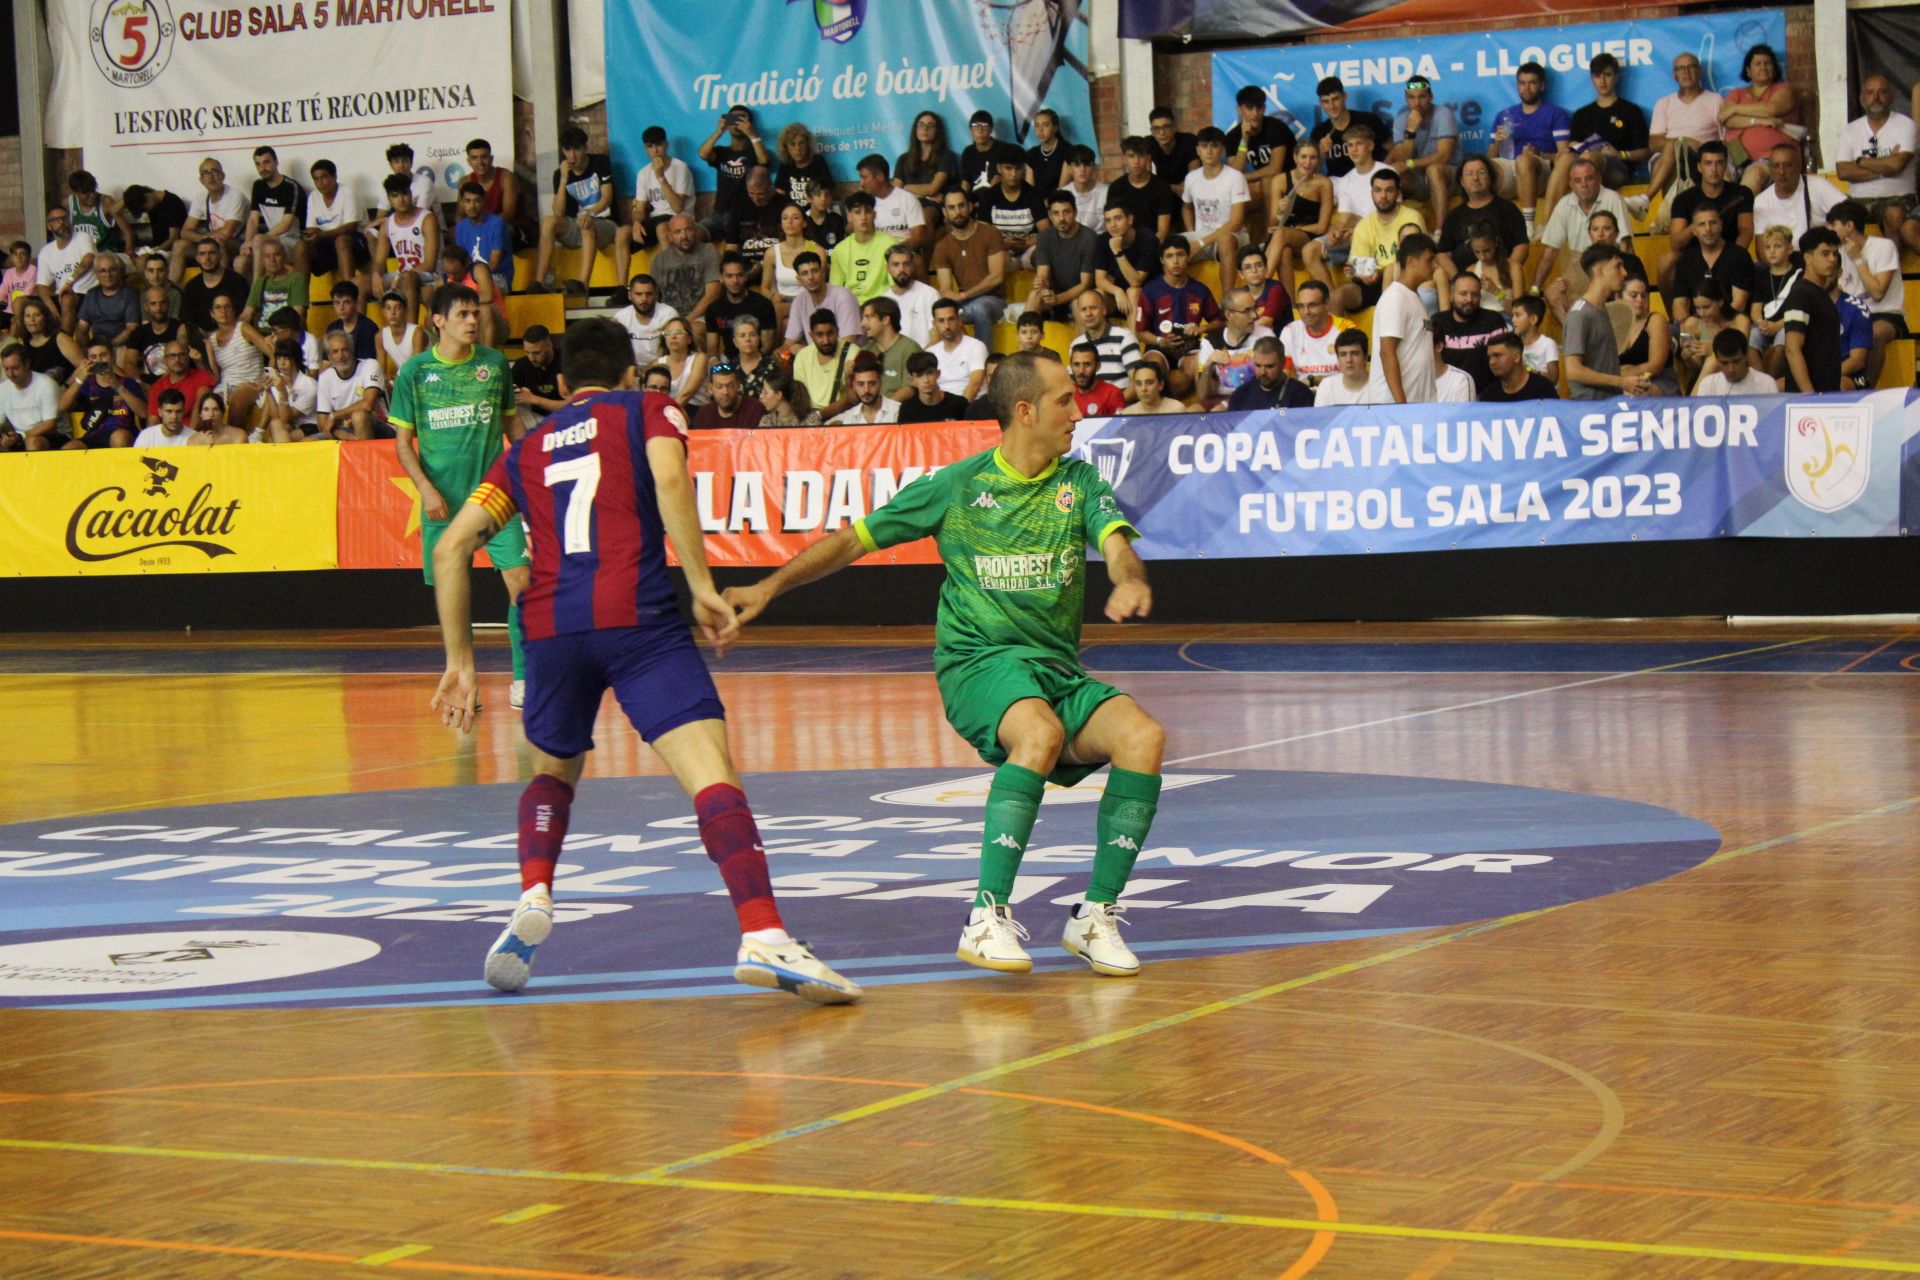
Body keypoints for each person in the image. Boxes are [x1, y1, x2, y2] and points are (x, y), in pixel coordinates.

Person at [427, 315, 860, 1002]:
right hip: (638, 619)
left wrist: (458, 658)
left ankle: (534, 893)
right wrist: (698, 584)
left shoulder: (526, 448)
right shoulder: (648, 405)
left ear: (562, 383)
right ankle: (763, 933)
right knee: (709, 772)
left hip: (550, 630)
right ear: (630, 373)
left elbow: (451, 547)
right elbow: (668, 479)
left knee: (552, 773)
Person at [726, 349, 1162, 975]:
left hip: (1053, 670)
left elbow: (1117, 547)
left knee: (1144, 737)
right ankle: (986, 916)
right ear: (1024, 410)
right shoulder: (957, 487)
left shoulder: (1080, 484)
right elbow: (852, 540)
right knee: (1038, 733)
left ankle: (1095, 917)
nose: (1078, 410)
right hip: (977, 662)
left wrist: (1128, 577)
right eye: (1064, 400)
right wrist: (766, 589)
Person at [392, 283, 529, 707]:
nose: (473, 321)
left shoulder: (494, 365)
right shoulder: (414, 372)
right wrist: (426, 488)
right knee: (456, 597)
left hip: (494, 499)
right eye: (463, 315)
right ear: (438, 321)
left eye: (475, 314)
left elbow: (513, 429)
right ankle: (464, 678)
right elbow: (402, 443)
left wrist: (526, 477)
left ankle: (523, 679)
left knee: (522, 583)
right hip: (443, 503)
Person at [1658, 141, 1754, 302]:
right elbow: (1675, 243)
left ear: (1725, 166)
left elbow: (1746, 231)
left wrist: (1731, 256)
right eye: (1708, 163)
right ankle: (1674, 319)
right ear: (1699, 167)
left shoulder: (1741, 193)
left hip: (1729, 251)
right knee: (1667, 261)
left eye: (1719, 163)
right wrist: (1698, 223)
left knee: (1743, 259)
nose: (1714, 169)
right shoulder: (1684, 199)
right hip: (1693, 256)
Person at [1837, 75, 1920, 256]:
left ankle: (1890, 275)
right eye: (1870, 93)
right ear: (1861, 98)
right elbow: (1843, 171)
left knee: (1894, 214)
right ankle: (1852, 279)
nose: (1876, 98)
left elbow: (1898, 165)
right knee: (1841, 218)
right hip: (1859, 200)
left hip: (1898, 197)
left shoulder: (1906, 126)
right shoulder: (1850, 130)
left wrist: (1861, 162)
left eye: (1882, 92)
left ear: (1892, 96)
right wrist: (1885, 167)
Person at [1489, 62, 1574, 232]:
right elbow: (1491, 157)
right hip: (1510, 169)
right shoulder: (1504, 115)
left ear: (1542, 86)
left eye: (1532, 83)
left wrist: (1540, 153)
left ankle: (1528, 226)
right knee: (1479, 169)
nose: (1526, 88)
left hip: (1541, 171)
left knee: (1524, 161)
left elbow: (1565, 156)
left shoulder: (1555, 114)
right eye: (1522, 83)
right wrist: (1497, 142)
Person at [530, 126, 615, 296]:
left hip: (603, 224)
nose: (572, 155)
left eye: (576, 149)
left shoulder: (600, 162)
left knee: (586, 223)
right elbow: (558, 212)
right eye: (567, 150)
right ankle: (538, 282)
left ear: (585, 148)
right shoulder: (560, 174)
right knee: (549, 221)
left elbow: (606, 199)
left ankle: (583, 283)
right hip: (576, 227)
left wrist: (589, 213)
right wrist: (563, 179)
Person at [1829, 199, 1905, 385]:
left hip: (1885, 314)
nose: (1829, 230)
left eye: (1833, 225)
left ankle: (1867, 387)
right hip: (1851, 314)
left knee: (1874, 332)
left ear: (1849, 226)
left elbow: (1878, 292)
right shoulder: (1836, 253)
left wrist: (1858, 259)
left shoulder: (1883, 247)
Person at [1532, 157, 1632, 297]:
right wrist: (1535, 288)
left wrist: (1625, 278)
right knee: (1553, 293)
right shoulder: (1564, 204)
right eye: (1578, 181)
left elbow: (1625, 246)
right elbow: (1549, 253)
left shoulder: (1613, 199)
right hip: (1579, 267)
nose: (1583, 185)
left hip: (1608, 264)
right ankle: (1573, 319)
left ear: (1598, 179)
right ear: (1571, 184)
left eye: (1589, 178)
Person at [1641, 53, 1726, 217]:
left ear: (1699, 71)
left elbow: (1724, 140)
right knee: (1673, 149)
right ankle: (1672, 217)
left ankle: (1647, 200)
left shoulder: (1715, 100)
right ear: (1675, 75)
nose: (1686, 72)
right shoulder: (1664, 102)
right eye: (1681, 69)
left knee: (1676, 149)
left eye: (1691, 67)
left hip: (1702, 156)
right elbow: (1654, 142)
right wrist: (1685, 141)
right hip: (1668, 158)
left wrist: (1696, 146)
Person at [1303, 123, 1386, 290]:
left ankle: (1365, 289)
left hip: (1377, 234)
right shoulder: (1346, 180)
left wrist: (1359, 227)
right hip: (1352, 234)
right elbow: (1343, 217)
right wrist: (1335, 232)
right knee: (1309, 250)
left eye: (1359, 144)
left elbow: (1391, 214)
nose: (1353, 149)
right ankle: (1330, 299)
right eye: (1350, 145)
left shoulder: (1385, 173)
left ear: (1370, 146)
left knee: (1359, 240)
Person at [1332, 167, 1425, 316]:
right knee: (1336, 296)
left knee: (1393, 273)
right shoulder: (1364, 224)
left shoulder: (1412, 217)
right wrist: (1363, 275)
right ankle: (1335, 339)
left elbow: (1417, 259)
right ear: (1372, 193)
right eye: (1378, 190)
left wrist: (1379, 272)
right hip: (1371, 282)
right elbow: (1358, 266)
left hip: (1402, 278)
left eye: (1389, 190)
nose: (1383, 195)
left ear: (1398, 193)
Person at [1433, 155, 1529, 298]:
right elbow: (1442, 254)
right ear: (1462, 181)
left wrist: (1506, 273)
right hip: (1465, 289)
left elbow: (1521, 245)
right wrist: (1460, 279)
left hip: (1501, 282)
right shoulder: (1454, 216)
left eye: (1481, 172)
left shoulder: (1507, 209)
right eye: (1469, 174)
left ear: (1491, 178)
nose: (1475, 178)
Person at [1566, 244, 1652, 398]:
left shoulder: (1602, 310)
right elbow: (1573, 370)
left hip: (1608, 404)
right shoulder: (1579, 314)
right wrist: (1621, 382)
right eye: (1618, 266)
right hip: (1591, 406)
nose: (1625, 273)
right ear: (1599, 271)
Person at [1136, 238, 1221, 394]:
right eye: (1169, 256)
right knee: (1151, 370)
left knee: (1197, 368)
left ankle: (1198, 411)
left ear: (1188, 256)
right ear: (1162, 260)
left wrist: (1202, 328)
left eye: (1180, 255)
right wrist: (1160, 341)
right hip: (1159, 346)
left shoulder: (1200, 290)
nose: (1175, 261)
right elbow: (1140, 332)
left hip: (1190, 346)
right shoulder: (1149, 290)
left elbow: (1219, 322)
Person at [1368, 232, 1437, 404]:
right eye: (1430, 260)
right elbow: (1387, 351)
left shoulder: (1413, 297)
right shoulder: (1396, 298)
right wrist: (1401, 405)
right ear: (1411, 261)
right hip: (1395, 406)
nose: (1435, 266)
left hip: (1415, 404)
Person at [932, 189, 1010, 338]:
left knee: (979, 308)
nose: (957, 212)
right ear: (944, 212)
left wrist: (964, 295)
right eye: (952, 207)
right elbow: (946, 290)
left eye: (961, 206)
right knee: (943, 317)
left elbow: (997, 276)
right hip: (964, 303)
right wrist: (959, 299)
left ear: (970, 207)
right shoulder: (942, 246)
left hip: (994, 301)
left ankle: (983, 360)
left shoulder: (990, 233)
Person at [1721, 44, 1798, 193]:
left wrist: (1735, 108)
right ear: (1748, 71)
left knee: (1753, 176)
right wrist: (1760, 121)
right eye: (1757, 64)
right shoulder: (1737, 93)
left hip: (1769, 158)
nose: (1763, 67)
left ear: (1774, 68)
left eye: (1767, 63)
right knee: (1720, 175)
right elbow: (1726, 119)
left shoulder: (1783, 90)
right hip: (1736, 153)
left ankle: (1742, 215)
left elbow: (1772, 109)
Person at [1181, 127, 1251, 290]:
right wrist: (1192, 232)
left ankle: (1228, 301)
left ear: (1222, 150)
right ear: (1198, 150)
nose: (1209, 151)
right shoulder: (1192, 177)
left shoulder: (1234, 177)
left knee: (1224, 240)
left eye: (1214, 146)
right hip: (1202, 235)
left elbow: (1236, 221)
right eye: (1204, 146)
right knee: (1171, 246)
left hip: (1234, 236)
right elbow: (1186, 207)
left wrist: (1200, 242)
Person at [1571, 53, 1651, 190]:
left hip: (1619, 169)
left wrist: (1620, 154)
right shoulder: (1581, 114)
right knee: (1566, 160)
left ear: (1616, 77)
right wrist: (1584, 148)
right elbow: (1572, 145)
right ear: (1592, 79)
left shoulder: (1631, 111)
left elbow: (1644, 151)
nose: (1602, 81)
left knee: (1592, 158)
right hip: (1583, 167)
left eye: (1607, 75)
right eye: (1597, 76)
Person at [1779, 227, 1844, 393]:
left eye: (1835, 254)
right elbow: (1792, 349)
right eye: (1825, 253)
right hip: (1810, 401)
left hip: (1825, 393)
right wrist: (1810, 396)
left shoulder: (1819, 294)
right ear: (1807, 257)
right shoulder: (1801, 294)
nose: (1832, 259)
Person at [369, 173, 440, 320]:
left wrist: (399, 277)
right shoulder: (387, 224)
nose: (401, 200)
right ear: (389, 199)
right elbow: (379, 262)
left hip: (429, 276)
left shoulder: (427, 218)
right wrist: (376, 274)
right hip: (402, 275)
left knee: (407, 277)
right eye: (395, 195)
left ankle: (411, 332)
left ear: (411, 194)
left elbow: (430, 264)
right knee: (358, 284)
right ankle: (356, 337)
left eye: (405, 194)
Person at [1264, 144, 1333, 292]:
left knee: (1281, 234)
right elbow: (1272, 223)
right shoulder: (1280, 180)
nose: (1307, 162)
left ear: (1318, 160)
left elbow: (1322, 227)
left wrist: (1293, 230)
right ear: (1295, 158)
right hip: (1280, 238)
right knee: (1284, 251)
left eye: (1313, 157)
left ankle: (1261, 285)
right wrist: (1280, 213)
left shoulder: (1324, 184)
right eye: (1303, 157)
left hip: (1309, 236)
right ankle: (1290, 306)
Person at [1389, 76, 1459, 221]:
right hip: (1420, 179)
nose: (1417, 103)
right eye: (1412, 98)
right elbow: (1402, 159)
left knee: (1433, 170)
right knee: (1392, 176)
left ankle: (1440, 231)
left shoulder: (1443, 114)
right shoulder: (1402, 120)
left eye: (1422, 97)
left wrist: (1410, 164)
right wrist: (1410, 131)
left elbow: (1443, 157)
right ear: (1406, 99)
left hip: (1450, 175)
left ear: (1431, 96)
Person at [1670, 206, 1754, 325]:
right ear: (1693, 230)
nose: (1708, 229)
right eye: (1702, 224)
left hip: (1730, 323)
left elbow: (1739, 303)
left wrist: (1712, 327)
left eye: (1713, 223)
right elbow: (1679, 303)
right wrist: (1687, 326)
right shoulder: (1686, 259)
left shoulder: (1739, 256)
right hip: (1696, 325)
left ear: (1721, 225)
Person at [1225, 86, 1293, 233]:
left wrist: (1246, 178)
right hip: (1261, 184)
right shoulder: (1232, 137)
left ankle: (1270, 237)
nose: (1255, 113)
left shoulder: (1276, 128)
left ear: (1264, 108)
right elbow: (1234, 173)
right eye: (1249, 108)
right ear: (1239, 109)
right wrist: (1244, 139)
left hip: (1289, 182)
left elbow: (1275, 168)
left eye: (1259, 108)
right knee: (1230, 192)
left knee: (1268, 180)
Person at [697, 105, 770, 244]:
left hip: (745, 215)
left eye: (741, 119)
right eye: (733, 119)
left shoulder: (754, 152)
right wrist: (719, 131)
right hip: (719, 214)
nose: (736, 124)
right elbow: (703, 154)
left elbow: (764, 161)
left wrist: (751, 133)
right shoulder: (721, 152)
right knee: (694, 234)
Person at [1027, 191, 1100, 322]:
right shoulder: (1044, 237)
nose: (1061, 218)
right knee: (1034, 295)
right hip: (1054, 294)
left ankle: (1083, 343)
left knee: (1078, 302)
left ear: (1075, 212)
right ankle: (1025, 340)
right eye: (1056, 213)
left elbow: (1085, 284)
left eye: (1066, 212)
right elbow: (1043, 274)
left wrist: (1057, 299)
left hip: (1080, 294)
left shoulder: (1089, 238)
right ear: (1049, 215)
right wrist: (1041, 283)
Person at [58, 339, 145, 449]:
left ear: (113, 357)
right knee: (69, 448)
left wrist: (118, 387)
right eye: (93, 357)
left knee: (119, 437)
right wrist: (79, 380)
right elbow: (62, 406)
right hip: (94, 436)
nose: (99, 360)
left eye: (103, 355)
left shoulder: (128, 383)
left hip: (124, 434)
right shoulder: (87, 385)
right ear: (88, 360)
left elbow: (144, 413)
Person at [650, 215, 723, 344]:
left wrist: (685, 322)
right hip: (668, 316)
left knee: (695, 330)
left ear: (695, 231)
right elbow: (653, 294)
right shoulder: (660, 259)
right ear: (670, 236)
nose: (684, 236)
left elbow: (712, 294)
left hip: (700, 316)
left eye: (688, 230)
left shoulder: (709, 253)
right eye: (677, 232)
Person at [1193, 287, 1274, 403]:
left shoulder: (1265, 336)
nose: (1254, 316)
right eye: (1247, 311)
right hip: (1221, 400)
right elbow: (1202, 395)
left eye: (1254, 309)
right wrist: (1209, 365)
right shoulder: (1210, 342)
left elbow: (1273, 380)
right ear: (1229, 314)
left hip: (1254, 398)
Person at [1751, 144, 1844, 244]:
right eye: (1776, 166)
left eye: (1788, 165)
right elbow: (1761, 248)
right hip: (1783, 259)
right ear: (1771, 169)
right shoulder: (1761, 201)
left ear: (1799, 166)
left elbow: (1849, 212)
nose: (1781, 171)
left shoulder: (1818, 185)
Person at [174, 158, 248, 280]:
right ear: (201, 180)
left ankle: (222, 287)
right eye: (205, 173)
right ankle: (171, 290)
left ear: (223, 176)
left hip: (237, 244)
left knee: (219, 240)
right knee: (179, 245)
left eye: (215, 172)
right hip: (213, 242)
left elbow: (227, 232)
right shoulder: (200, 198)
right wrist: (202, 239)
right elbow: (185, 232)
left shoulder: (235, 196)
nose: (210, 177)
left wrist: (205, 239)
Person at [1432, 272, 1509, 387]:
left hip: (1487, 396)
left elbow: (1505, 361)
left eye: (1475, 294)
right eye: (1463, 294)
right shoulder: (1437, 321)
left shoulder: (1494, 320)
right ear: (1451, 296)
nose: (1469, 299)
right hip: (1449, 396)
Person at [202, 294, 268, 425]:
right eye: (218, 307)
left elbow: (271, 353)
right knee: (206, 410)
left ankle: (236, 442)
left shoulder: (244, 328)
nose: (223, 311)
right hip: (224, 386)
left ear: (233, 310)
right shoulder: (212, 339)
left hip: (251, 383)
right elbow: (214, 378)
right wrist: (207, 351)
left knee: (237, 405)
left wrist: (266, 380)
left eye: (227, 306)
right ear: (212, 313)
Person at [977, 146, 1045, 268]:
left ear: (1023, 168)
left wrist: (1027, 244)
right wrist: (1004, 245)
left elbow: (1046, 231)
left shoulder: (1033, 194)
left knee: (1043, 255)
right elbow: (983, 235)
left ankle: (1042, 287)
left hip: (1029, 248)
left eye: (1018, 168)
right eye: (1008, 168)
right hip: (1000, 249)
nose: (1013, 174)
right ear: (999, 168)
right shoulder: (988, 196)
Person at [244, 146, 307, 277]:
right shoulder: (258, 186)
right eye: (258, 164)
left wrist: (259, 239)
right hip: (270, 239)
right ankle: (245, 296)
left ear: (276, 162)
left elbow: (286, 225)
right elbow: (252, 219)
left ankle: (256, 291)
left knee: (259, 240)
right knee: (240, 262)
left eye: (267, 162)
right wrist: (247, 242)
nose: (263, 168)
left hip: (292, 240)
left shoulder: (291, 187)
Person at [1310, 77, 1390, 179]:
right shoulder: (1319, 132)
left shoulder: (1369, 121)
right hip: (1338, 188)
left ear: (1345, 97)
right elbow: (1311, 174)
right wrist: (1320, 153)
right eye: (1326, 101)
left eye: (1335, 99)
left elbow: (1393, 149)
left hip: (1372, 182)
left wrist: (1384, 172)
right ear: (1321, 104)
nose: (1331, 106)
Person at [762, 203, 826, 332]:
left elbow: (822, 285)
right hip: (782, 300)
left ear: (804, 223)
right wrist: (772, 296)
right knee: (780, 314)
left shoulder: (817, 251)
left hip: (809, 300)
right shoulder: (771, 253)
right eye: (785, 218)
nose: (789, 222)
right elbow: (764, 287)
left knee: (780, 312)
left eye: (795, 218)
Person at [1106, 136, 1182, 243]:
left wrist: (1146, 249)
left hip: (1154, 244)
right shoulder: (1116, 188)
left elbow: (1163, 230)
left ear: (1148, 158)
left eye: (1140, 156)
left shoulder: (1162, 187)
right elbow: (1112, 224)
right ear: (1124, 159)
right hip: (1124, 243)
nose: (1136, 161)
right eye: (1131, 156)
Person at [315, 329, 388, 440]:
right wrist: (340, 434)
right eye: (335, 351)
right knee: (306, 442)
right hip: (344, 430)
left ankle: (364, 457)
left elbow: (368, 404)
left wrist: (335, 415)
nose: (341, 356)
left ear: (352, 351)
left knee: (358, 417)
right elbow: (322, 423)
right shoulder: (325, 378)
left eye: (345, 350)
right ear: (329, 357)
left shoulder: (369, 365)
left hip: (379, 425)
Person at [829, 193, 900, 306]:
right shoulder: (840, 250)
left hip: (882, 306)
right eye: (857, 212)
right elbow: (835, 290)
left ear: (874, 215)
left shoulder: (890, 245)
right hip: (850, 306)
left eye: (867, 211)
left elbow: (895, 287)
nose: (863, 217)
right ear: (850, 217)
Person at [780, 252, 860, 351]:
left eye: (814, 271)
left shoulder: (844, 297)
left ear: (823, 272)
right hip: (817, 357)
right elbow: (789, 343)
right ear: (799, 279)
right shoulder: (799, 301)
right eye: (804, 273)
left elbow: (848, 343)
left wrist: (808, 354)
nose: (810, 277)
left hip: (847, 358)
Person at [36, 205, 97, 332]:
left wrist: (69, 282)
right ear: (49, 226)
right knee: (20, 303)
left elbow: (88, 259)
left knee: (67, 299)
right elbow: (42, 285)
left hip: (86, 293)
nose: (62, 222)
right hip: (60, 296)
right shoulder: (46, 251)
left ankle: (64, 343)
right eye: (56, 220)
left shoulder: (82, 237)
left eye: (64, 218)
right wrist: (49, 304)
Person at [1278, 280, 1350, 387]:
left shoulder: (1345, 329)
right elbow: (1286, 373)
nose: (1306, 312)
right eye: (1301, 306)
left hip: (1338, 394)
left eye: (1312, 305)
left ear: (1327, 305)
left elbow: (1353, 375)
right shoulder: (1290, 331)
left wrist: (1315, 380)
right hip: (1303, 394)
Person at [1092, 203, 1158, 321]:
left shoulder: (1146, 238)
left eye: (1118, 218)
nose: (1113, 225)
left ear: (1130, 219)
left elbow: (1135, 281)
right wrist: (1117, 291)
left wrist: (1118, 252)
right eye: (1108, 220)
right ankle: (1096, 339)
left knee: (1133, 292)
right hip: (1120, 298)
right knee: (1096, 296)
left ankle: (1132, 339)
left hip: (1149, 297)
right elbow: (1099, 280)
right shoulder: (1102, 240)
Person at [706, 253, 777, 361]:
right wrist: (715, 364)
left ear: (746, 276)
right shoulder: (713, 309)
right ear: (721, 278)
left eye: (739, 275)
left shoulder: (763, 305)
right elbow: (712, 351)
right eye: (729, 276)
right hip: (728, 362)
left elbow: (767, 347)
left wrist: (745, 364)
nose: (735, 281)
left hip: (758, 360)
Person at [301, 159, 363, 282]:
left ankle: (349, 293)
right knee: (301, 246)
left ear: (334, 177)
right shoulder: (314, 196)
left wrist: (322, 235)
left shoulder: (348, 192)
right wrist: (310, 236)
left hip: (355, 241)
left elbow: (351, 226)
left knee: (342, 241)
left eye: (324, 177)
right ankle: (299, 297)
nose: (320, 182)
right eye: (316, 179)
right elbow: (311, 227)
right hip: (326, 241)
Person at [124, 289, 200, 386]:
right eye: (153, 304)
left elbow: (181, 363)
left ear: (169, 304)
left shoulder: (181, 329)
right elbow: (129, 362)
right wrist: (140, 384)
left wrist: (157, 388)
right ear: (146, 307)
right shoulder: (138, 332)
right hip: (146, 387)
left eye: (162, 303)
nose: (158, 308)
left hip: (177, 384)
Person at [792, 309, 859, 417]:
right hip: (809, 415)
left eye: (830, 333)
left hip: (842, 416)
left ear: (837, 331)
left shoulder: (852, 352)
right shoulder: (802, 356)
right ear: (811, 335)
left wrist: (818, 416)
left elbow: (851, 399)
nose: (826, 340)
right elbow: (800, 397)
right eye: (820, 335)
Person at [1071, 287, 1142, 389]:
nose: (1088, 313)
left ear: (1104, 310)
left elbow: (1137, 382)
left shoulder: (1124, 337)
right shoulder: (1076, 344)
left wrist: (1115, 403)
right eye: (1083, 309)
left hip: (1121, 402)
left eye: (1093, 308)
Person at [452, 181, 513, 299]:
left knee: (469, 292)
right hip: (471, 279)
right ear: (462, 203)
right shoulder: (460, 227)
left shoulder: (497, 224)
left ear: (484, 201)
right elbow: (461, 261)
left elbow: (494, 265)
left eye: (477, 200)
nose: (472, 206)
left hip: (498, 278)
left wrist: (472, 280)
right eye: (467, 201)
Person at [856, 154, 928, 253]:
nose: (861, 183)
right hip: (876, 255)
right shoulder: (866, 203)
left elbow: (918, 237)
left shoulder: (907, 199)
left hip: (904, 255)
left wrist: (893, 252)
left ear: (880, 177)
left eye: (864, 178)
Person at [464, 138, 528, 246]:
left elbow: (508, 214)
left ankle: (493, 263)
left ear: (491, 158)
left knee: (500, 230)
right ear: (469, 161)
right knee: (453, 233)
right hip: (477, 227)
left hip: (509, 227)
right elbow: (459, 215)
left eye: (484, 157)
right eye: (474, 158)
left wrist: (482, 226)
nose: (480, 162)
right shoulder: (465, 181)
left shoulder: (505, 177)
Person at [1619, 276, 1677, 395]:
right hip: (1623, 382)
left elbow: (1655, 366)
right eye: (1634, 295)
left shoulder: (1656, 320)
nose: (1640, 300)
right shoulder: (1613, 323)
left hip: (1659, 381)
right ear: (1618, 297)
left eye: (1644, 295)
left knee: (1630, 393)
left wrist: (1625, 374)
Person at [899, 111, 960, 222]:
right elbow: (897, 191)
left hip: (934, 207)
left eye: (930, 126)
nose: (925, 129)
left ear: (937, 130)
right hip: (909, 204)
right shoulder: (903, 159)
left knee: (924, 216)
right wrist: (923, 195)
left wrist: (907, 187)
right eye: (921, 125)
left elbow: (933, 188)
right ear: (915, 129)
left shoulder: (946, 156)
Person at [1224, 336, 1313, 411]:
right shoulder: (1240, 396)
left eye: (1269, 366)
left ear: (1283, 363)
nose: (1263, 372)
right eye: (1258, 365)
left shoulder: (1300, 393)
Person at [0, 343, 61, 451]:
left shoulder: (46, 384)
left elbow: (50, 424)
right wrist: (8, 438)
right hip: (18, 437)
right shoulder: (3, 389)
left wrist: (21, 436)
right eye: (6, 369)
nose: (10, 374)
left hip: (53, 436)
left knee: (33, 442)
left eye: (15, 368)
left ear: (27, 364)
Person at [858, 296, 921, 399]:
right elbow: (853, 395)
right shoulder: (865, 351)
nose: (863, 323)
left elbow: (909, 389)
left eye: (868, 317)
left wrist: (884, 410)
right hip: (869, 411)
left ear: (885, 319)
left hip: (898, 412)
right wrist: (848, 377)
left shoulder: (909, 348)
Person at [928, 298, 990, 401]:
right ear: (934, 324)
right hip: (941, 408)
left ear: (959, 320)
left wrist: (957, 411)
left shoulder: (976, 346)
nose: (947, 326)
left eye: (951, 319)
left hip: (971, 408)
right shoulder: (930, 352)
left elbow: (974, 386)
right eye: (941, 321)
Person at [614, 273, 679, 371]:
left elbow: (674, 352)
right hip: (631, 368)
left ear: (656, 295)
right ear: (630, 295)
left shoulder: (668, 314)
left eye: (649, 294)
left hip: (662, 367)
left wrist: (647, 370)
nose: (644, 299)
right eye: (638, 294)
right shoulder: (621, 317)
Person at [75, 253, 140, 350]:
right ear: (96, 274)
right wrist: (87, 349)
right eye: (102, 271)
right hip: (97, 347)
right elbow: (81, 327)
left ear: (119, 271)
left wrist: (108, 347)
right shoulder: (91, 294)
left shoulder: (130, 293)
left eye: (112, 270)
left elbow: (131, 328)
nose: (108, 275)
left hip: (121, 346)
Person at [259, 338, 321, 442]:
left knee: (283, 435)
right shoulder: (277, 379)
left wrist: (282, 391)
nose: (281, 363)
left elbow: (286, 417)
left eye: (286, 359)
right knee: (275, 425)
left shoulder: (310, 385)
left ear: (295, 360)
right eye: (279, 358)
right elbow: (275, 416)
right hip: (290, 424)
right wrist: (269, 391)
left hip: (310, 425)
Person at [883, 245, 941, 348]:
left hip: (924, 358)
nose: (901, 269)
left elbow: (936, 338)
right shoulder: (884, 299)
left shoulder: (929, 294)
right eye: (896, 265)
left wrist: (919, 359)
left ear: (912, 266)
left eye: (906, 264)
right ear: (888, 269)